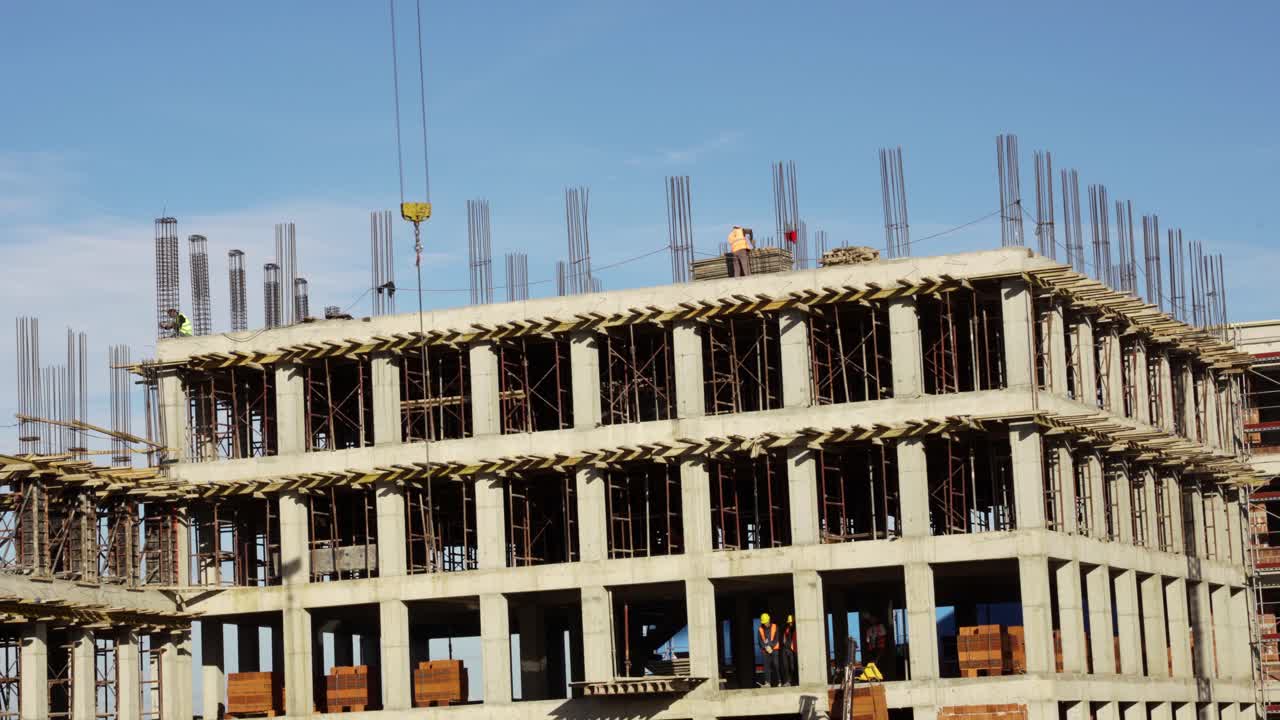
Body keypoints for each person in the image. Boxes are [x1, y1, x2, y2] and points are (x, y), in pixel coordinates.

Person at [757, 612, 781, 687]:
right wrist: (765, 647)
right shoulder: (760, 629)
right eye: (764, 622)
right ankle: (767, 683)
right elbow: (760, 641)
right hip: (765, 650)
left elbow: (776, 638)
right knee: (766, 666)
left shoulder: (775, 626)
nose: (765, 624)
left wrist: (771, 647)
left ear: (769, 620)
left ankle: (779, 681)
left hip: (774, 649)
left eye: (766, 622)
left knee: (776, 665)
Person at [780, 613, 797, 686]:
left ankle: (794, 680)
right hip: (785, 649)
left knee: (793, 666)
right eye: (789, 622)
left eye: (791, 622)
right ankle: (788, 681)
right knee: (786, 665)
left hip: (792, 650)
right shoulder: (786, 628)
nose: (790, 623)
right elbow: (783, 637)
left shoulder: (795, 629)